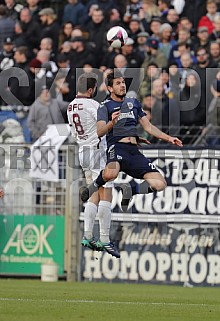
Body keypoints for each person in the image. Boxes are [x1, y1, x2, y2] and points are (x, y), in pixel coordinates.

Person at [80, 70, 183, 204]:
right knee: (111, 174)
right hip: (117, 147)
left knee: (160, 184)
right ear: (110, 88)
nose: (122, 85)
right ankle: (92, 187)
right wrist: (112, 123)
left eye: (123, 82)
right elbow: (99, 132)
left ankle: (131, 190)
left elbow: (148, 127)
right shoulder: (104, 106)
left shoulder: (133, 103)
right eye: (118, 83)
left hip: (133, 151)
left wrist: (168, 138)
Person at [67, 72, 120, 258]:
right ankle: (105, 238)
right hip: (97, 151)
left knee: (94, 194)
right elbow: (100, 131)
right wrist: (112, 123)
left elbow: (74, 131)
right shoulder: (95, 105)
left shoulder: (70, 106)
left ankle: (88, 235)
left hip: (83, 152)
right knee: (107, 193)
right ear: (91, 90)